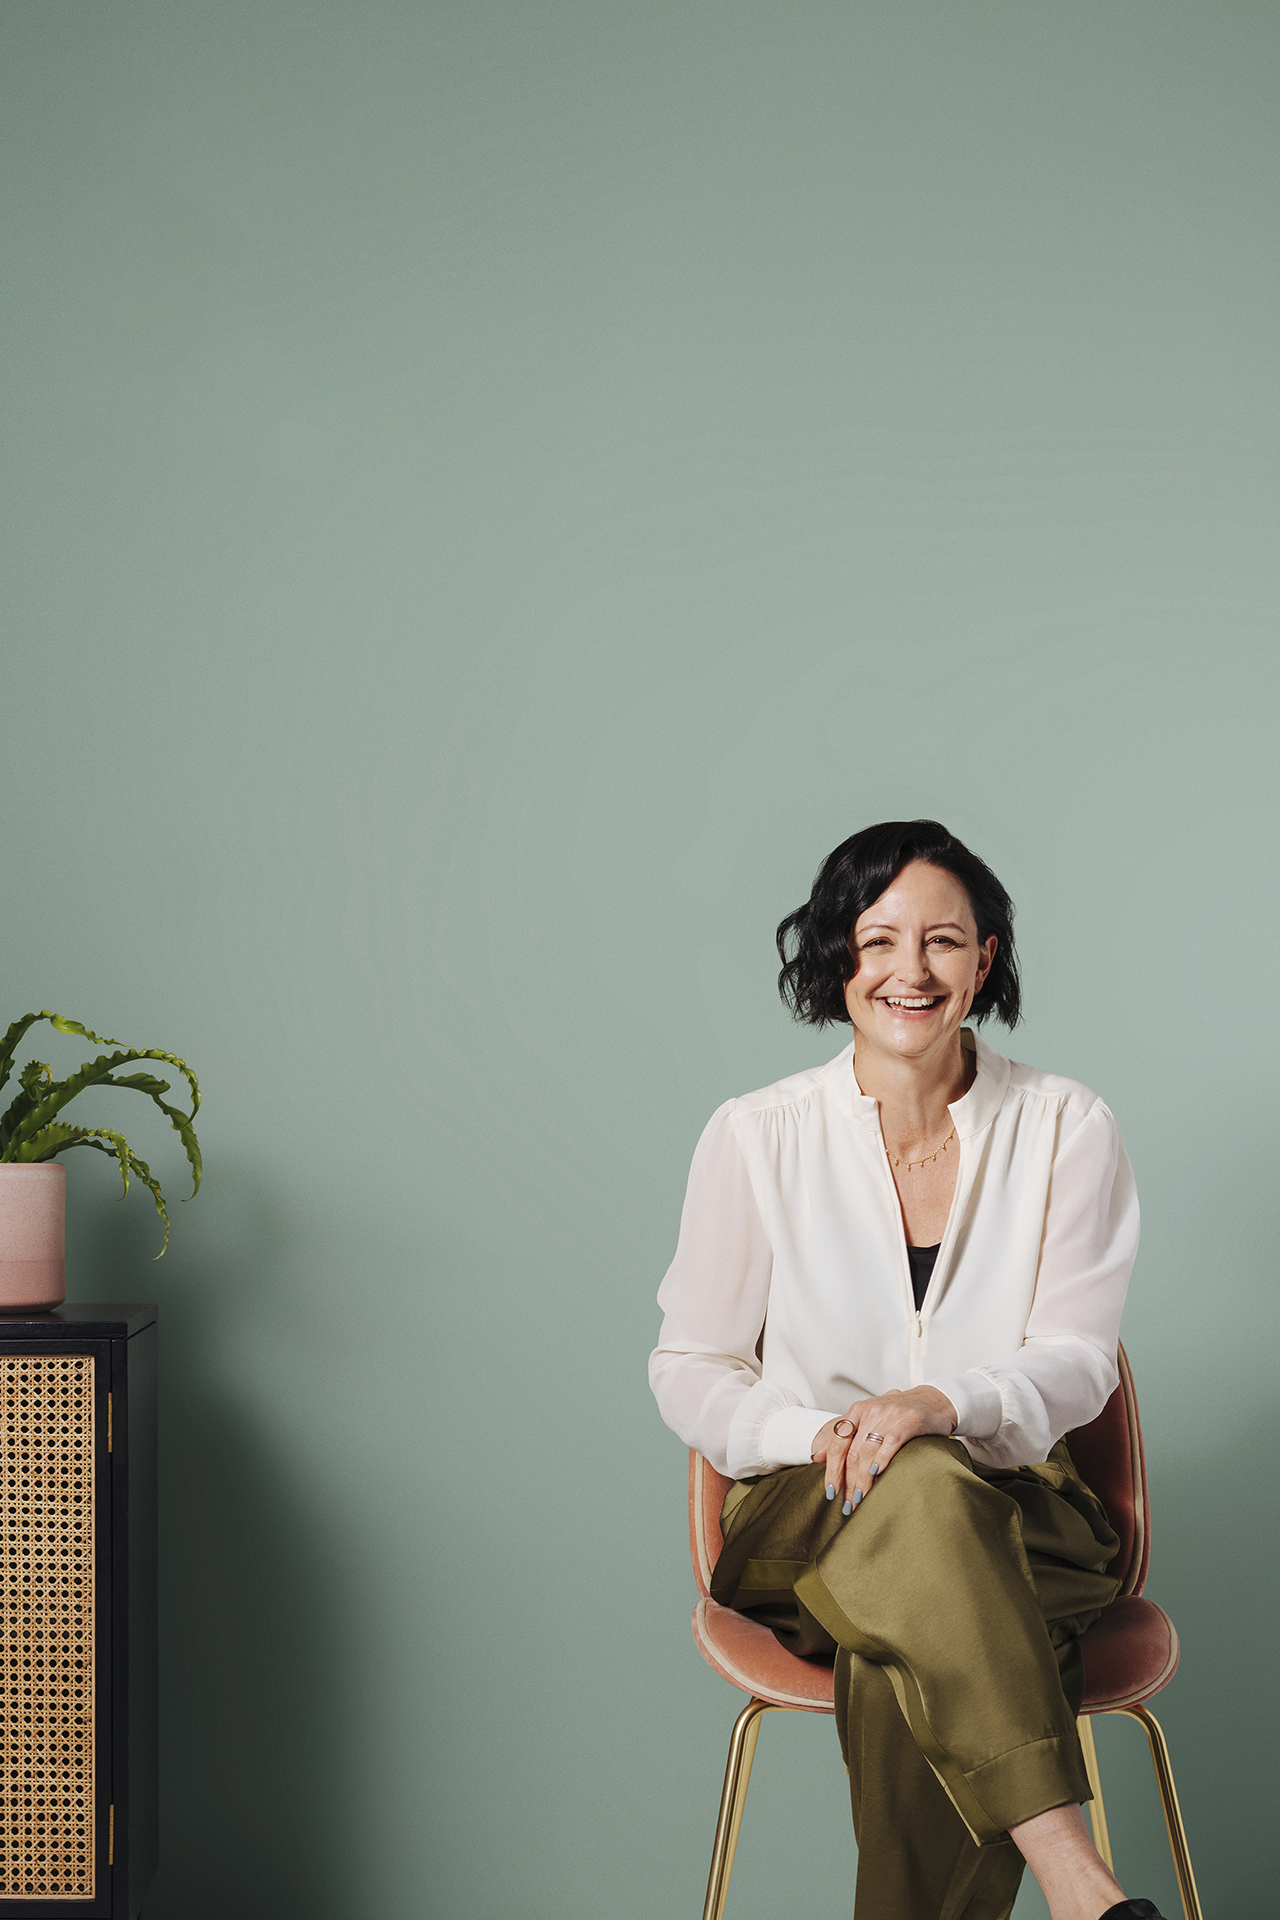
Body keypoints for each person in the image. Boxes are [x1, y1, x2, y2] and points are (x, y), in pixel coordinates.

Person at [649, 820, 1167, 1920]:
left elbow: (1077, 1364)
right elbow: (690, 1368)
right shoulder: (756, 1136)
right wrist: (817, 1436)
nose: (908, 971)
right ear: (836, 956)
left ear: (984, 961)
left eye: (942, 941)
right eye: (876, 940)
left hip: (1024, 1517)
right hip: (801, 1517)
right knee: (912, 1494)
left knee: (905, 1644)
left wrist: (942, 1404)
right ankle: (1077, 1883)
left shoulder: (1065, 1125)